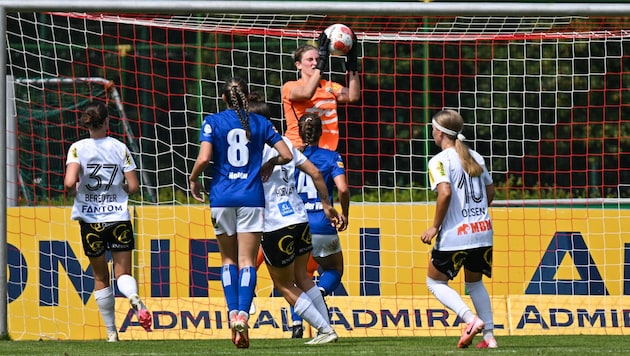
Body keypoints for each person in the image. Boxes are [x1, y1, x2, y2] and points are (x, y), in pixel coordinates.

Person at [189, 77, 292, 349]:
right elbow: (286, 155)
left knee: (227, 259)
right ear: (248, 97)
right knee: (247, 260)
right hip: (251, 197)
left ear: (223, 98)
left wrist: (194, 179)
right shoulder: (260, 123)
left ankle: (231, 312)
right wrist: (269, 162)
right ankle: (244, 316)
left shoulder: (213, 121)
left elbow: (202, 159)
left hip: (222, 197)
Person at [64, 101, 151, 342]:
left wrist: (74, 192)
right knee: (122, 273)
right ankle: (134, 298)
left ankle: (112, 333)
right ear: (107, 121)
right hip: (118, 218)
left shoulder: (77, 148)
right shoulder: (119, 147)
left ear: (86, 123)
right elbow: (133, 186)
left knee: (100, 277)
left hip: (91, 221)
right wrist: (120, 187)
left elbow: (70, 182)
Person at [419, 109, 497, 349]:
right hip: (483, 231)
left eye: (433, 128)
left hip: (456, 234)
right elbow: (491, 191)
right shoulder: (475, 156)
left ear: (440, 132)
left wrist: (435, 227)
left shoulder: (439, 161)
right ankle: (490, 339)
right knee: (475, 283)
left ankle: (470, 319)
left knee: (435, 283)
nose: (432, 132)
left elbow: (445, 193)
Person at [260, 134, 345, 345]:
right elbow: (316, 173)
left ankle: (323, 329)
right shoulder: (285, 143)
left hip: (275, 223)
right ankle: (327, 328)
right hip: (300, 218)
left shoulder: (252, 148)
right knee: (303, 277)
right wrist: (326, 204)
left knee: (284, 284)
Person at [293, 113, 350, 334]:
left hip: (296, 222)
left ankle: (297, 323)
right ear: (321, 132)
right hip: (322, 223)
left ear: (299, 132)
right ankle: (321, 292)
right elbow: (343, 189)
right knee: (334, 268)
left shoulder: (291, 157)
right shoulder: (330, 157)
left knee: (297, 276)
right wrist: (344, 213)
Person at [282, 30, 361, 151]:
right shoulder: (290, 86)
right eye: (310, 59)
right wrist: (322, 64)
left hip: (327, 151)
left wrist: (353, 65)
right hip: (299, 150)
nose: (315, 63)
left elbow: (353, 96)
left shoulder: (329, 86)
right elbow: (307, 93)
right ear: (298, 65)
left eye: (318, 59)